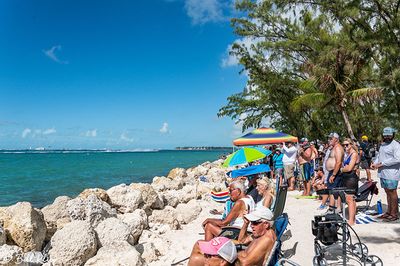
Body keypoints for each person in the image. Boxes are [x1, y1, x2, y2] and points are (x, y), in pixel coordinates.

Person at [189, 207, 276, 266]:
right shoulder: (260, 233)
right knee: (199, 244)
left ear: (266, 224)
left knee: (196, 258)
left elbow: (245, 263)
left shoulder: (266, 239)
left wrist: (229, 253)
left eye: (255, 222)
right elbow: (241, 241)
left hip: (235, 262)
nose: (252, 225)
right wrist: (246, 224)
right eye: (251, 222)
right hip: (236, 257)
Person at [371, 127, 400, 222]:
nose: (387, 137)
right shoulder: (383, 145)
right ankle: (389, 212)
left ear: (393, 135)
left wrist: (382, 164)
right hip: (383, 173)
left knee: (392, 192)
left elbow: (397, 159)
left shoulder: (396, 145)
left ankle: (394, 214)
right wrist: (374, 163)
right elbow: (379, 156)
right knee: (387, 192)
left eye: (389, 135)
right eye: (385, 135)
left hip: (392, 173)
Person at [340, 138, 359, 225]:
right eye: (343, 145)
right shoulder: (347, 154)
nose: (345, 146)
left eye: (347, 145)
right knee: (351, 199)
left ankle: (351, 220)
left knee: (349, 199)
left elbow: (349, 168)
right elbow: (346, 167)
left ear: (351, 144)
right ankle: (352, 219)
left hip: (351, 178)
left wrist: (341, 169)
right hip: (347, 177)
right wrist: (345, 168)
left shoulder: (354, 154)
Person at [325, 132, 344, 211]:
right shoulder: (334, 147)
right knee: (335, 190)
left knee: (332, 191)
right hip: (333, 172)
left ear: (336, 139)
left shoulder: (338, 148)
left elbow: (338, 162)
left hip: (335, 172)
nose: (329, 140)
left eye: (331, 138)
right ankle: (337, 208)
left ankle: (331, 209)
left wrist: (333, 174)